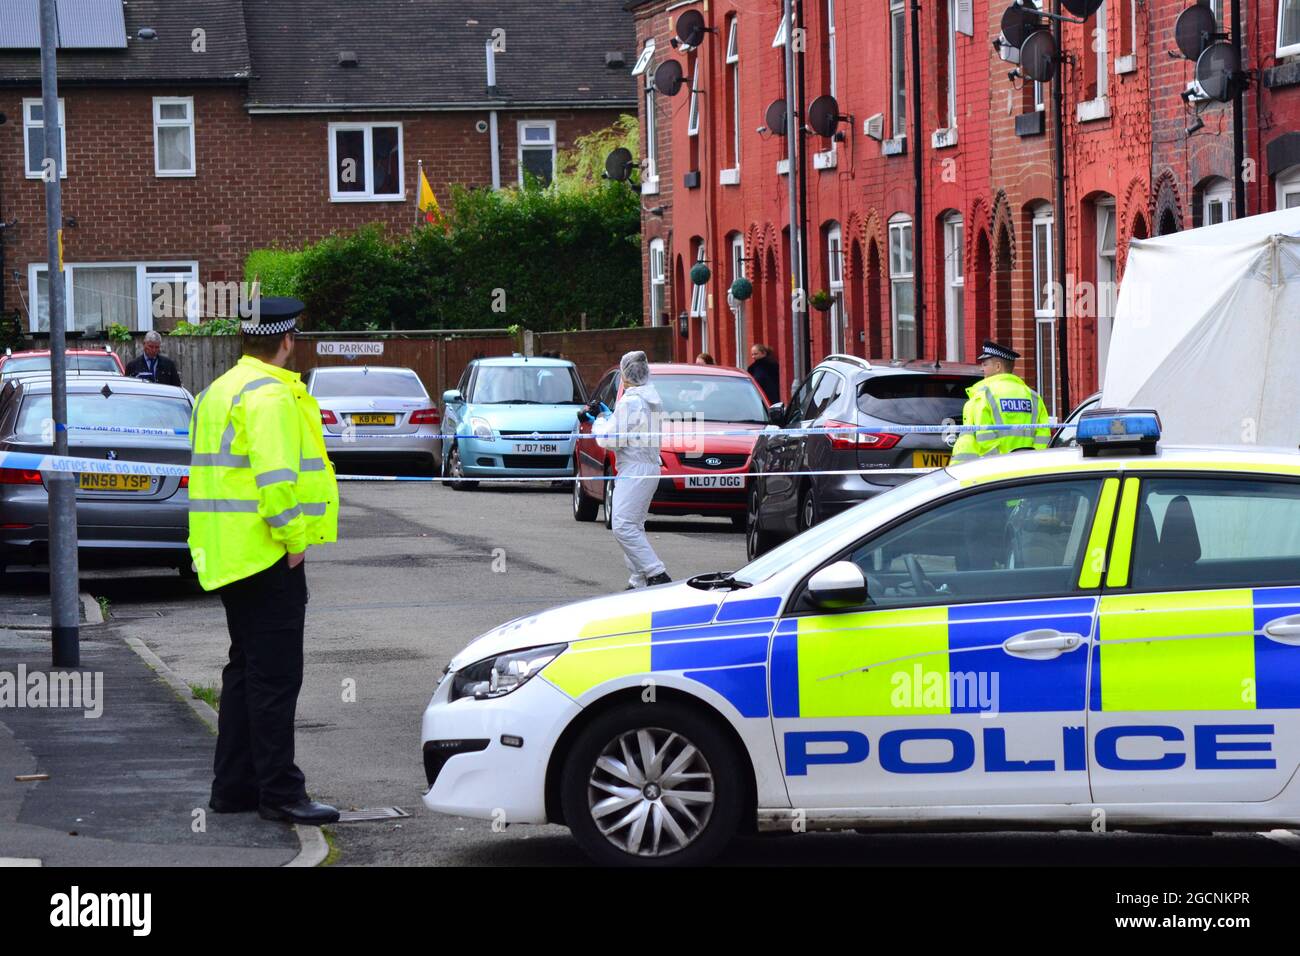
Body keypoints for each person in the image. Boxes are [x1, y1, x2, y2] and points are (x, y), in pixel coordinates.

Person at [187, 297, 341, 825]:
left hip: (228, 553)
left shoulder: (218, 391)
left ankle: (232, 788)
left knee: (244, 672)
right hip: (267, 552)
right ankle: (280, 793)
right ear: (287, 340)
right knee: (274, 679)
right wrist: (296, 540)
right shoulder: (270, 395)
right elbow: (276, 483)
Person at [584, 351, 671, 589]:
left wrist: (598, 422)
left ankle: (656, 574)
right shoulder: (650, 398)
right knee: (634, 525)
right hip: (647, 466)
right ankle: (638, 580)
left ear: (626, 373)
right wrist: (609, 416)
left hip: (634, 468)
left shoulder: (631, 400)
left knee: (622, 524)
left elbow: (611, 440)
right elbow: (629, 429)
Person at [951, 339, 1050, 464]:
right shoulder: (1033, 397)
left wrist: (1000, 465)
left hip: (994, 471)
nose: (982, 369)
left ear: (998, 367)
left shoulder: (983, 396)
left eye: (985, 364)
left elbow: (984, 438)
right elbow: (1043, 435)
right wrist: (1031, 462)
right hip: (1027, 469)